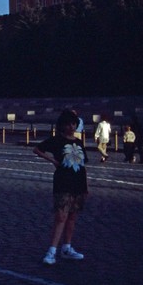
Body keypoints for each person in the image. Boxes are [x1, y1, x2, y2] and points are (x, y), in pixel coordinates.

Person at [34, 109, 88, 265]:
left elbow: (83, 165)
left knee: (72, 217)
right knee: (61, 217)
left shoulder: (78, 142)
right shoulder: (56, 140)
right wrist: (52, 160)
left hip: (78, 183)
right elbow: (37, 149)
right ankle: (51, 251)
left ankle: (67, 247)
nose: (71, 127)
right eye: (68, 124)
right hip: (63, 182)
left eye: (73, 123)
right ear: (62, 125)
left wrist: (86, 187)